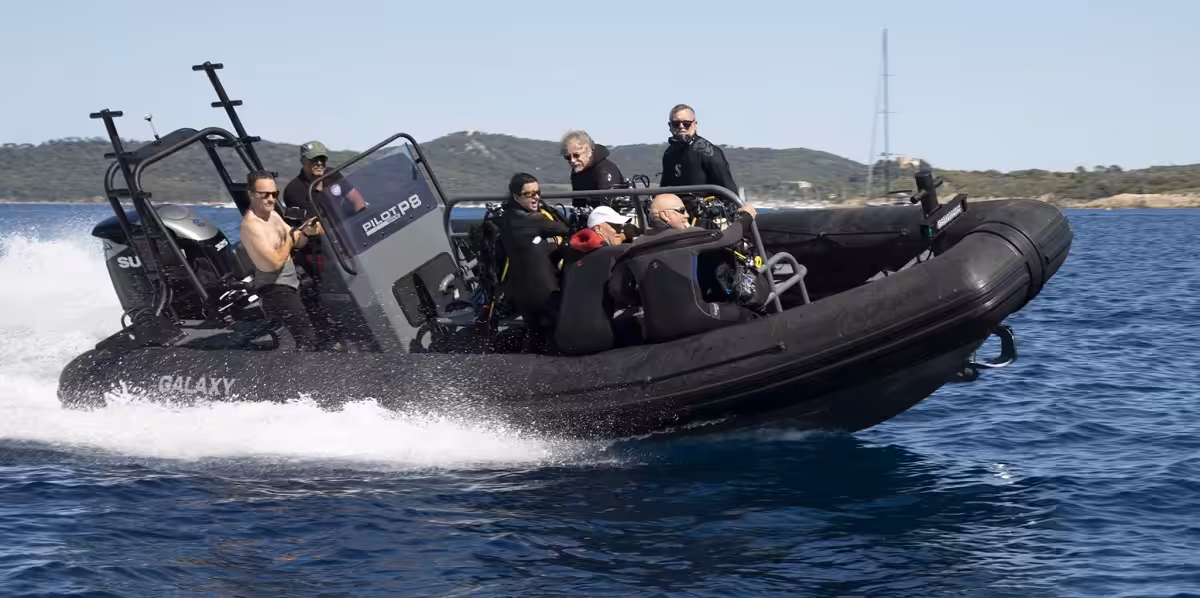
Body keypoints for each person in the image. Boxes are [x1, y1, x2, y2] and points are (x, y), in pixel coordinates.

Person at [240, 170, 323, 351]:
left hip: (292, 284)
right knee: (304, 341)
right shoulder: (252, 226)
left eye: (274, 194)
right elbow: (274, 263)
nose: (271, 199)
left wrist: (307, 231)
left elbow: (298, 241)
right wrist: (292, 239)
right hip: (275, 290)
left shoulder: (274, 216)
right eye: (264, 195)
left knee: (316, 331)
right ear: (251, 194)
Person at [493, 173, 570, 350]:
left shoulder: (505, 219)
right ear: (515, 196)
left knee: (534, 334)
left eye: (537, 193)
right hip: (544, 291)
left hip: (520, 291)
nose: (535, 197)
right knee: (556, 332)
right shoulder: (535, 220)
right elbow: (565, 229)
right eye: (529, 194)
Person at [658, 104, 738, 214]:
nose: (681, 127)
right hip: (676, 217)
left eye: (686, 123)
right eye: (676, 123)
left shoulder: (709, 152)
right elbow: (664, 190)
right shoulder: (669, 154)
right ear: (670, 126)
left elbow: (730, 193)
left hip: (704, 219)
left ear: (695, 125)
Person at [282, 140, 368, 223]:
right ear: (302, 161)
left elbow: (356, 199)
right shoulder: (293, 190)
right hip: (324, 235)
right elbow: (309, 224)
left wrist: (362, 219)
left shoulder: (333, 174)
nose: (319, 163)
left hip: (348, 229)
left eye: (322, 159)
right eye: (314, 159)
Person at [562, 130, 625, 208]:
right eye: (568, 157)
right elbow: (577, 203)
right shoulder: (578, 169)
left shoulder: (604, 170)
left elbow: (607, 209)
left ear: (589, 152)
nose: (572, 160)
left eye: (576, 155)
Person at [564, 205, 631, 262]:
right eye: (616, 226)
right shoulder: (614, 254)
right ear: (598, 229)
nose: (621, 230)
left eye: (621, 226)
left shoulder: (574, 253)